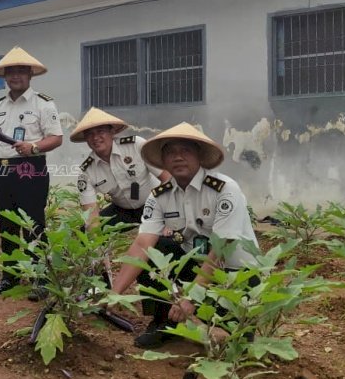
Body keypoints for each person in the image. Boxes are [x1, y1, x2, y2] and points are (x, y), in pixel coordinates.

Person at [110, 122, 259, 348]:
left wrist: (191, 297)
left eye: (185, 151)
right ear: (163, 160)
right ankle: (164, 322)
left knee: (234, 342)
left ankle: (207, 320)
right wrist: (113, 294)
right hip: (194, 268)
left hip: (235, 275)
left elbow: (220, 249)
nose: (177, 157)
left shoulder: (225, 189)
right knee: (158, 249)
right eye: (170, 152)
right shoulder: (160, 195)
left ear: (199, 156)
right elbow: (142, 244)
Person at [0, 46, 63, 297]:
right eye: (10, 72)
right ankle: (11, 277)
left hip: (30, 168)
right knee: (6, 225)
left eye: (21, 72)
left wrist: (33, 146)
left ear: (30, 75)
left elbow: (56, 138)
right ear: (5, 77)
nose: (15, 76)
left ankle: (40, 279)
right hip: (2, 170)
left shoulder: (43, 104)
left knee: (34, 223)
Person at [72, 107, 171, 229]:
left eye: (100, 131)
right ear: (85, 139)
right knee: (84, 234)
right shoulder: (86, 171)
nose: (95, 138)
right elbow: (91, 215)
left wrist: (169, 215)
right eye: (90, 134)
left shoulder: (136, 145)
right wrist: (95, 242)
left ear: (112, 132)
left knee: (168, 240)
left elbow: (167, 179)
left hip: (155, 205)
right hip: (122, 210)